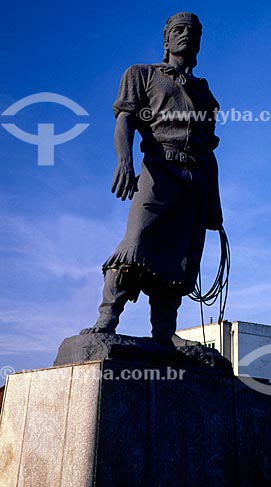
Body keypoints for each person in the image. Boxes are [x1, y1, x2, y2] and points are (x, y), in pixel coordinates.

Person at [81, 12, 223, 345]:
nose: (185, 35)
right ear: (166, 39)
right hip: (159, 171)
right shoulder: (142, 74)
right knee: (135, 243)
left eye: (192, 31)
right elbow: (125, 121)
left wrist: (214, 205)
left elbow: (209, 151)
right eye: (178, 30)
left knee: (179, 259)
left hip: (196, 183)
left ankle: (163, 333)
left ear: (199, 41)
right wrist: (124, 162)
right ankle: (106, 319)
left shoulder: (205, 94)